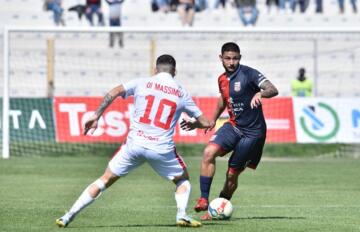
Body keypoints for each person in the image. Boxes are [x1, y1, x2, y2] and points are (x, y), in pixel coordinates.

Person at [55, 55, 211, 228]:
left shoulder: (141, 82)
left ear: (155, 69)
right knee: (183, 181)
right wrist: (193, 123)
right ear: (175, 71)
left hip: (134, 145)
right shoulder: (181, 92)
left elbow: (113, 92)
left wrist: (96, 115)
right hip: (161, 149)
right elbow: (206, 122)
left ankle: (67, 216)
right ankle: (182, 215)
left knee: (104, 180)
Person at [186, 42, 278, 220]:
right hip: (234, 126)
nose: (231, 62)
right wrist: (213, 119)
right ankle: (204, 199)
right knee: (208, 152)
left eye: (235, 58)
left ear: (240, 58)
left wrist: (261, 94)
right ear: (221, 58)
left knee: (231, 175)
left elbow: (272, 89)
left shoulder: (249, 74)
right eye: (227, 58)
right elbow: (223, 98)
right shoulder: (221, 79)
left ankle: (218, 207)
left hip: (253, 134)